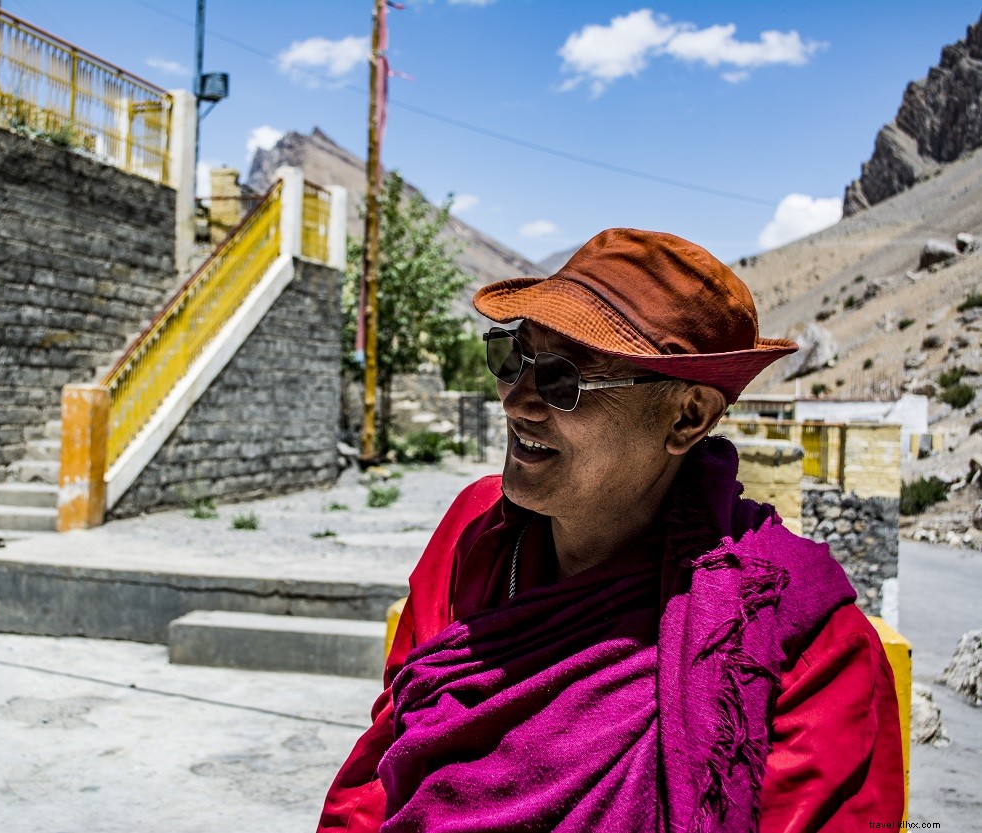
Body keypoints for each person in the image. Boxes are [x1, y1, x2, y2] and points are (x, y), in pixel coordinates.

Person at [317, 228, 904, 833]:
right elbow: (382, 771)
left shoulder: (792, 639)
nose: (518, 401)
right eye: (511, 358)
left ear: (687, 417)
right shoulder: (476, 531)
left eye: (564, 380)